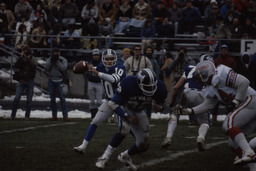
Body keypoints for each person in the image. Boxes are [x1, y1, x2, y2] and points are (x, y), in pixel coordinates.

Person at [177, 60, 256, 167]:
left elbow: (244, 82)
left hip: (251, 100)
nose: (200, 79)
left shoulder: (222, 72)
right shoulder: (209, 88)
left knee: (228, 124)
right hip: (246, 107)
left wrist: (236, 101)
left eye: (201, 76)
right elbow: (208, 105)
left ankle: (249, 153)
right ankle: (253, 166)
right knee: (233, 143)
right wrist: (190, 111)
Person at [107, 68, 167, 169]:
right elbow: (114, 102)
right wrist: (125, 115)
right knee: (124, 130)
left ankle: (125, 155)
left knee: (144, 145)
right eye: (147, 87)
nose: (150, 89)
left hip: (140, 111)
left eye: (152, 86)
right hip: (127, 108)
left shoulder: (160, 87)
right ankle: (107, 155)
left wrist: (160, 107)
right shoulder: (129, 83)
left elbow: (163, 104)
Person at [73, 49, 126, 155]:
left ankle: (139, 143)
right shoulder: (101, 66)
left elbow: (114, 79)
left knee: (124, 129)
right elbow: (93, 69)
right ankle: (83, 146)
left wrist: (98, 73)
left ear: (115, 59)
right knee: (95, 121)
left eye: (111, 59)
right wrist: (86, 67)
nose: (109, 61)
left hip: (121, 102)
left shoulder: (120, 66)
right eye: (107, 59)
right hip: (108, 101)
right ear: (103, 59)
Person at [161, 54, 212, 151]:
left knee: (174, 113)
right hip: (202, 95)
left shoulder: (190, 68)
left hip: (187, 93)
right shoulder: (215, 71)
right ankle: (200, 138)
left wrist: (172, 102)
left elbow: (176, 87)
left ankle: (168, 137)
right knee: (205, 122)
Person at [11, 46, 37, 120]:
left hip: (30, 80)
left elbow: (34, 66)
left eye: (26, 52)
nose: (25, 53)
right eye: (24, 52)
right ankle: (13, 115)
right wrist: (21, 57)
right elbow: (16, 66)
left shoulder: (33, 58)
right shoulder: (21, 59)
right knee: (16, 98)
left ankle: (27, 116)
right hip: (22, 80)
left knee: (29, 100)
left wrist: (28, 59)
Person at [44, 48, 70, 121]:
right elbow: (46, 68)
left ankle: (65, 116)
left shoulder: (63, 60)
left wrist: (57, 61)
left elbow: (63, 69)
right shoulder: (50, 59)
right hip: (51, 80)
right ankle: (54, 115)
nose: (56, 54)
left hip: (60, 80)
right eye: (55, 53)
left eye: (57, 52)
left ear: (59, 53)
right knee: (52, 99)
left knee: (62, 99)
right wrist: (52, 61)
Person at [85, 49, 102, 118]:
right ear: (92, 55)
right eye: (94, 55)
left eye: (97, 55)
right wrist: (89, 77)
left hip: (99, 83)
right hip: (91, 82)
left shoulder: (101, 63)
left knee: (99, 101)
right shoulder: (89, 63)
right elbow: (86, 72)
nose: (96, 57)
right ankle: (92, 113)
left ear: (99, 55)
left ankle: (99, 114)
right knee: (92, 100)